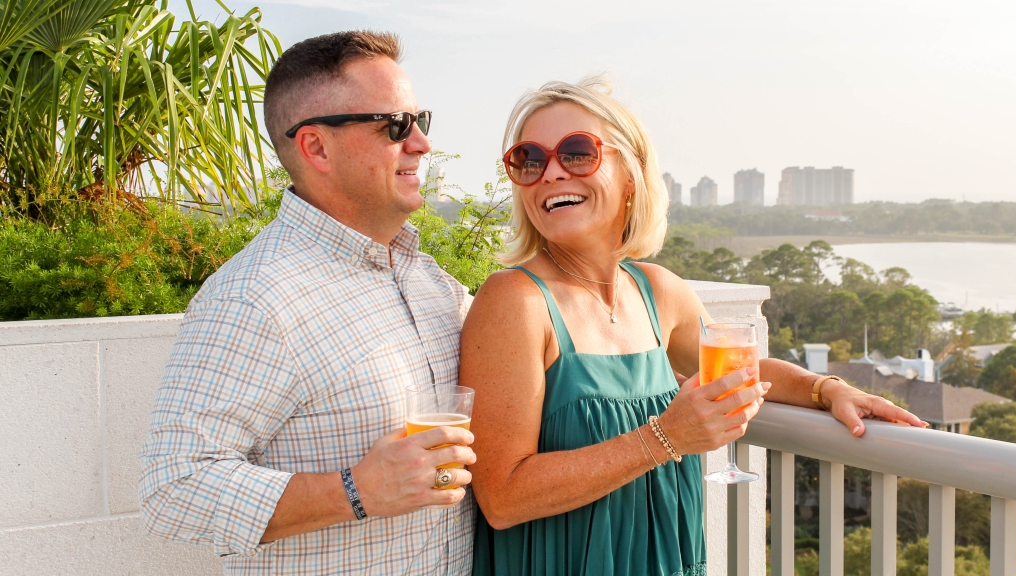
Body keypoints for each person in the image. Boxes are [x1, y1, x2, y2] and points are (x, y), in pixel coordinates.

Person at [460, 75, 928, 576]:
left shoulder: (655, 290)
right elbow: (502, 496)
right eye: (529, 160)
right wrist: (665, 436)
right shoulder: (515, 301)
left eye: (577, 153)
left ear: (631, 174)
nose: (551, 173)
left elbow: (735, 369)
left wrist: (825, 389)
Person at [138, 31, 478, 574]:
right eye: (394, 125)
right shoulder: (255, 296)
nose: (420, 144)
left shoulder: (429, 280)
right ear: (316, 147)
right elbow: (173, 486)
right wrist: (355, 491)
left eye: (420, 121)